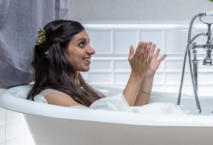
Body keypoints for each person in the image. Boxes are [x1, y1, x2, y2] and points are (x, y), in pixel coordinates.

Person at [28, 20, 175, 113]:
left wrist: (147, 75)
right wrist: (135, 75)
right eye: (81, 44)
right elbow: (113, 122)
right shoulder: (53, 96)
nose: (91, 50)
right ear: (59, 51)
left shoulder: (81, 88)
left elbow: (134, 113)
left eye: (88, 43)